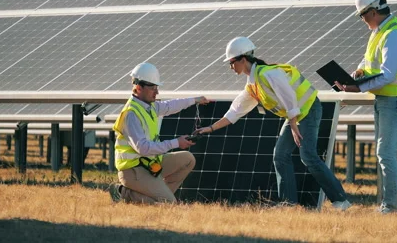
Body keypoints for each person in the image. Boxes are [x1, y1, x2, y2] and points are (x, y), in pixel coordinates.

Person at [194, 36, 350, 210]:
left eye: (232, 62)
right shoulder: (253, 85)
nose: (230, 67)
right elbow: (234, 112)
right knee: (280, 155)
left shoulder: (268, 73)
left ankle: (340, 200)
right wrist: (210, 128)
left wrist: (292, 123)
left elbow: (289, 95)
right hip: (296, 116)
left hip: (308, 109)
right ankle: (288, 203)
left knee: (308, 156)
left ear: (243, 59)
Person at [334, 0, 397, 214]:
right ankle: (387, 205)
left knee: (386, 154)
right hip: (384, 100)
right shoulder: (380, 32)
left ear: (371, 11)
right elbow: (369, 60)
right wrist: (359, 72)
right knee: (383, 153)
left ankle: (390, 207)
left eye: (361, 15)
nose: (361, 20)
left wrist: (358, 88)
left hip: (396, 100)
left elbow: (388, 74)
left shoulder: (395, 33)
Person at [108, 62, 210, 204]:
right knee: (169, 204)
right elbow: (143, 148)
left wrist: (195, 100)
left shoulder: (149, 106)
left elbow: (170, 106)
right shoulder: (131, 114)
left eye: (157, 87)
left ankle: (162, 196)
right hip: (133, 171)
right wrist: (176, 143)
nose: (157, 92)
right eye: (152, 88)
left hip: (149, 164)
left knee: (188, 159)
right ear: (138, 87)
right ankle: (124, 192)